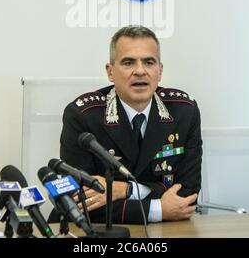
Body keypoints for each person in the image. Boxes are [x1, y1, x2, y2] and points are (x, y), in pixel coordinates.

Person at [60, 25, 202, 224]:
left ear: (160, 71)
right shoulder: (83, 116)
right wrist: (158, 208)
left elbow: (187, 194)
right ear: (110, 72)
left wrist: (123, 190)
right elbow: (81, 201)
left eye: (149, 62)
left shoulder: (184, 111)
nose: (140, 71)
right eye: (128, 62)